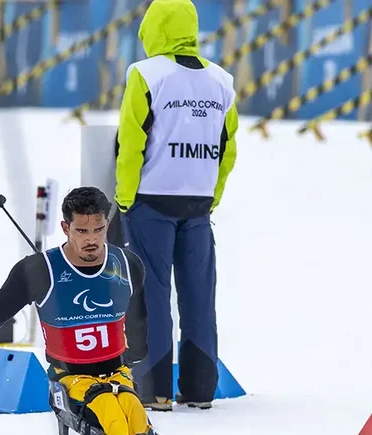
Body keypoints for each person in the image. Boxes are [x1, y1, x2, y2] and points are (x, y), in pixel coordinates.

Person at [0, 187, 168, 435]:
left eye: (98, 229)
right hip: (70, 380)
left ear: (107, 225)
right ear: (65, 228)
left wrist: (134, 355)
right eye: (82, 231)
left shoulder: (127, 265)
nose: (92, 240)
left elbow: (139, 321)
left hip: (117, 374)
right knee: (110, 412)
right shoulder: (39, 271)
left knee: (134, 413)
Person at [114, 0, 239, 411]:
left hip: (151, 201)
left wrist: (124, 197)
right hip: (199, 205)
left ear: (153, 28)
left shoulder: (145, 74)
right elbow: (227, 148)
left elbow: (132, 142)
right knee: (200, 297)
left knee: (152, 296)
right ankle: (201, 389)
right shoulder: (221, 80)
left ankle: (156, 391)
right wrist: (212, 196)